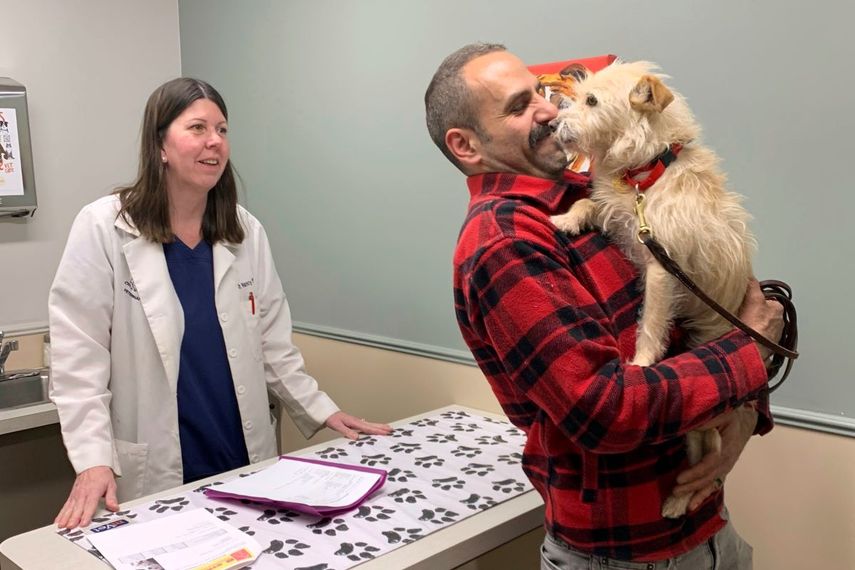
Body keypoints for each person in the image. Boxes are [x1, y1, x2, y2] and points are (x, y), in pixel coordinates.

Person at [425, 43, 784, 568]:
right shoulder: (506, 244)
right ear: (467, 145)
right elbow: (605, 411)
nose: (550, 109)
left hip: (706, 529)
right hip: (624, 553)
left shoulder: (604, 190)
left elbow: (730, 296)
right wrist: (749, 355)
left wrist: (745, 417)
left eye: (542, 94)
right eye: (519, 105)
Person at [49, 78, 392, 530]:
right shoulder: (104, 228)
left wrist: (322, 408)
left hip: (241, 454)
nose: (214, 141)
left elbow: (273, 345)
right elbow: (79, 360)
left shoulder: (244, 232)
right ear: (160, 147)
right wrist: (92, 460)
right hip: (159, 466)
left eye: (222, 129)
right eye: (197, 127)